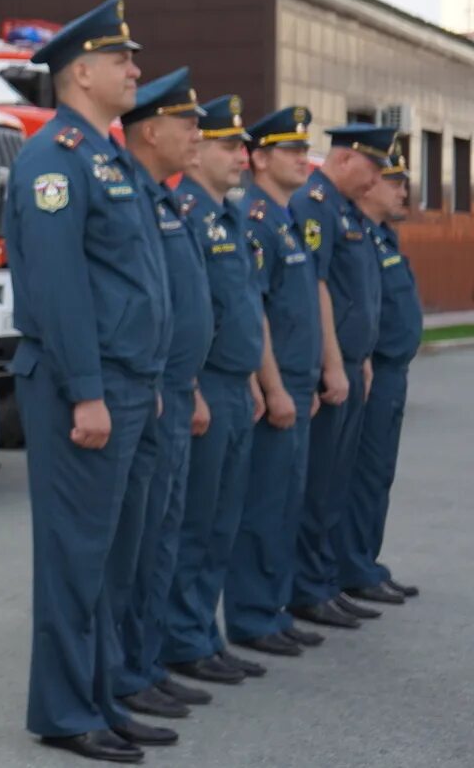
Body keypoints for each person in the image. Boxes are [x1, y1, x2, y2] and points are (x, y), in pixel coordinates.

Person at [4, 0, 170, 764]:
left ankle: (102, 695)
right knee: (76, 558)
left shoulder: (104, 156)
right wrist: (89, 390)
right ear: (80, 72)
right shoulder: (54, 161)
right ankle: (67, 709)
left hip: (129, 382)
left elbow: (131, 277)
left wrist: (148, 374)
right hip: (86, 388)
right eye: (122, 58)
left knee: (112, 557)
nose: (135, 69)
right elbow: (61, 286)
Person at [104, 72, 213, 723]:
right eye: (188, 123)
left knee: (161, 535)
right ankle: (125, 671)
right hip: (145, 385)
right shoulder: (135, 195)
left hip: (170, 385)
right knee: (136, 542)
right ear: (150, 130)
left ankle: (144, 664)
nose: (196, 135)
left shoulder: (162, 199)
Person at [161, 97, 276, 678]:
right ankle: (182, 637)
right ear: (198, 149)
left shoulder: (230, 216)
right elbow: (188, 310)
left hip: (235, 382)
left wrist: (256, 377)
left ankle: (204, 630)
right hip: (204, 382)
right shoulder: (184, 212)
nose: (242, 156)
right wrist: (194, 387)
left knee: (224, 517)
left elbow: (244, 306)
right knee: (195, 519)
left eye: (243, 146)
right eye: (229, 145)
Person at [222, 106, 325, 655]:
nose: (302, 159)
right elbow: (254, 308)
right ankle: (253, 614)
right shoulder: (257, 217)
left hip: (299, 381)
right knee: (263, 504)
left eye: (304, 150)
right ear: (258, 159)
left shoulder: (284, 217)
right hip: (278, 384)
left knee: (285, 501)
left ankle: (273, 605)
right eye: (291, 151)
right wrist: (275, 384)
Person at [288, 124, 392, 630]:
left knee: (336, 482)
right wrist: (332, 361)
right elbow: (318, 285)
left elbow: (360, 292)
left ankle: (325, 581)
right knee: (319, 481)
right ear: (347, 159)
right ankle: (308, 587)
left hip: (352, 361)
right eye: (371, 170)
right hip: (333, 364)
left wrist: (361, 356)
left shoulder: (344, 208)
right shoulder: (315, 204)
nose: (375, 183)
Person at [337, 143, 422, 604]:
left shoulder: (383, 236)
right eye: (395, 182)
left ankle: (367, 561)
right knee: (362, 474)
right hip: (373, 370)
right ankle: (352, 566)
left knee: (379, 474)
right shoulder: (360, 236)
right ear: (369, 187)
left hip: (392, 371)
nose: (402, 191)